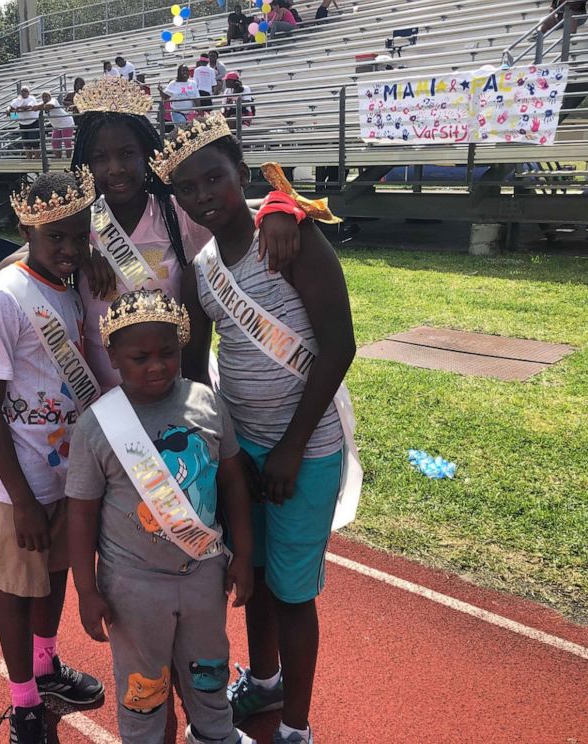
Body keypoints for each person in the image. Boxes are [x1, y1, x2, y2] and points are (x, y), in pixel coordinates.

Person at [159, 113, 356, 744]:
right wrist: (228, 450)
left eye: (213, 178)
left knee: (294, 594)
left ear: (240, 174)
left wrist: (292, 449)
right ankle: (265, 683)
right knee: (257, 576)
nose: (202, 196)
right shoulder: (202, 268)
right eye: (186, 189)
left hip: (305, 450)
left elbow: (339, 345)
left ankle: (296, 729)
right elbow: (196, 364)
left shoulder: (289, 239)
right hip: (245, 451)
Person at [0, 76, 301, 393]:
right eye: (101, 158)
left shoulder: (176, 212)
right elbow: (8, 269)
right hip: (104, 401)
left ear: (147, 155)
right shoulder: (77, 227)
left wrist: (278, 207)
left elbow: (240, 213)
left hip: (174, 389)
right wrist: (84, 256)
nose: (115, 169)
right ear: (86, 165)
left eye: (127, 154)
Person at [67, 287, 255, 744]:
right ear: (113, 356)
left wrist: (244, 555)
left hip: (202, 571)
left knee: (208, 668)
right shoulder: (98, 424)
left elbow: (232, 482)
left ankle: (214, 733)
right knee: (143, 683)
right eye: (140, 357)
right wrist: (86, 590)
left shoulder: (206, 403)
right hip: (133, 584)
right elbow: (82, 514)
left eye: (168, 353)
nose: (156, 366)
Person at [0, 168, 105, 744]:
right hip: (19, 482)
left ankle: (45, 671)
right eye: (58, 238)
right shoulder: (1, 300)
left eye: (81, 236)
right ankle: (24, 703)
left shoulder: (69, 289)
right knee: (20, 593)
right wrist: (21, 499)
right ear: (27, 226)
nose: (71, 249)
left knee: (55, 582)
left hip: (65, 473)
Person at [38, 91, 76, 159]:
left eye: (46, 96)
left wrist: (40, 107)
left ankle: (68, 159)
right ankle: (58, 159)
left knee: (67, 141)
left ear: (50, 97)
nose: (44, 98)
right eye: (43, 97)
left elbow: (49, 106)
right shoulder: (43, 103)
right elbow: (34, 108)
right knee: (54, 143)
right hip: (57, 125)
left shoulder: (53, 100)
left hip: (66, 123)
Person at [8, 86, 42, 159]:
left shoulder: (32, 98)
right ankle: (29, 160)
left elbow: (29, 106)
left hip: (33, 122)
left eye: (25, 91)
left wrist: (18, 108)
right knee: (26, 144)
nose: (23, 92)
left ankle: (37, 160)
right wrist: (10, 112)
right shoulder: (16, 100)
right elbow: (11, 108)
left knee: (35, 143)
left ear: (28, 92)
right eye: (22, 91)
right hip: (22, 123)